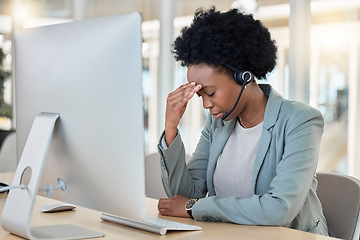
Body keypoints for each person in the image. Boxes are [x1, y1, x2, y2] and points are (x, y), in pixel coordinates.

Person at [157, 7, 330, 236]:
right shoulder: (218, 123)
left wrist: (194, 207)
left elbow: (279, 209)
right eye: (200, 96)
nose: (206, 105)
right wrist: (171, 128)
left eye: (210, 92)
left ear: (244, 77)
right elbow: (185, 195)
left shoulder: (301, 121)